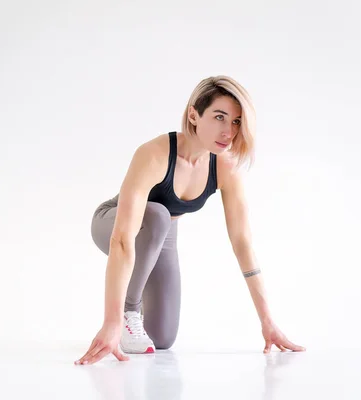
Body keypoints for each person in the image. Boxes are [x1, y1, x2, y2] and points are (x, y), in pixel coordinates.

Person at [75, 75, 306, 366]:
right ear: (194, 115)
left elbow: (242, 243)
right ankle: (128, 313)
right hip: (114, 221)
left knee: (162, 339)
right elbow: (122, 238)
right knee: (158, 215)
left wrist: (268, 321)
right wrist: (112, 321)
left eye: (236, 121)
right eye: (219, 117)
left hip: (162, 235)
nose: (228, 131)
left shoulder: (225, 167)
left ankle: (135, 311)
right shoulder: (154, 154)